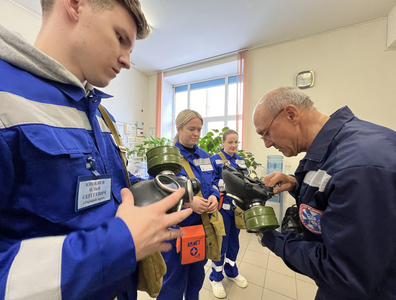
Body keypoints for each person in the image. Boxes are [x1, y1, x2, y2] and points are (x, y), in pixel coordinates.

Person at [0, 1, 192, 299]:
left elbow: (105, 191)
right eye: (119, 37)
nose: (128, 61)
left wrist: (152, 192)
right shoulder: (5, 97)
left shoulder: (101, 117)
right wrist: (121, 243)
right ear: (75, 5)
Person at [252, 86, 396, 300]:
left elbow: (344, 272)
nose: (267, 143)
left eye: (266, 133)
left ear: (291, 114)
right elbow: (333, 192)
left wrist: (273, 239)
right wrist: (296, 184)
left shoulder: (358, 168)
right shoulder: (341, 146)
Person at [157, 109, 220, 300]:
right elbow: (157, 191)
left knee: (196, 277)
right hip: (176, 229)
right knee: (173, 281)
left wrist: (215, 196)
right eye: (191, 129)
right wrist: (187, 202)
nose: (196, 134)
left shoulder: (204, 155)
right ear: (179, 128)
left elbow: (214, 181)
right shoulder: (168, 157)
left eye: (199, 129)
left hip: (201, 229)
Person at [208, 129, 248, 298]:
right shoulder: (214, 160)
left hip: (236, 209)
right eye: (230, 142)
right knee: (221, 243)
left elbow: (247, 181)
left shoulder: (240, 160)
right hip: (221, 209)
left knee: (233, 242)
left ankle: (231, 271)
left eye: (236, 142)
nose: (233, 145)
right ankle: (215, 278)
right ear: (223, 143)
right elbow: (209, 183)